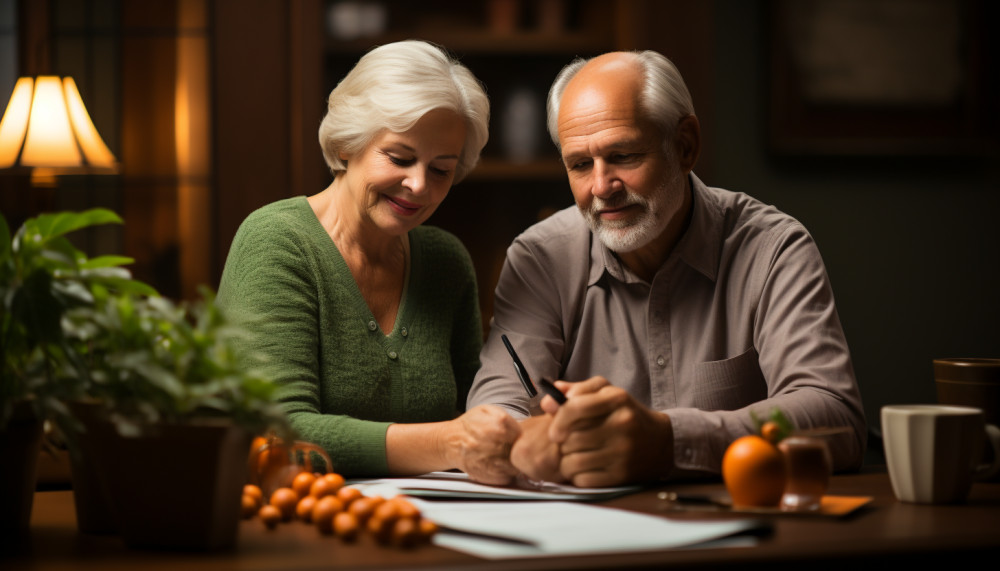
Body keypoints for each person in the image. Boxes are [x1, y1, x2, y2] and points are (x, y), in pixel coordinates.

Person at [467, 50, 866, 487]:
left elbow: (834, 418)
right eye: (580, 164)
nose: (601, 187)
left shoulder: (772, 249)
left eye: (623, 155)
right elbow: (494, 412)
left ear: (685, 146)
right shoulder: (539, 259)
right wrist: (516, 440)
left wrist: (666, 440)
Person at [218, 40, 520, 484]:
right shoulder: (277, 241)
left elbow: (479, 410)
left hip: (438, 522)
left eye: (441, 170)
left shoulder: (446, 261)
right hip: (303, 522)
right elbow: (275, 436)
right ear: (345, 145)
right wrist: (448, 443)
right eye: (399, 158)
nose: (418, 185)